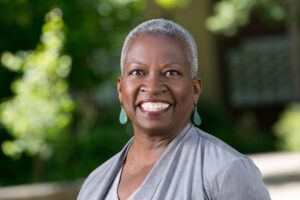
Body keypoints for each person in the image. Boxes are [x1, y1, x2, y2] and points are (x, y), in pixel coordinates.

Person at [77, 19, 271, 200]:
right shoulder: (95, 183)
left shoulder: (227, 171)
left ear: (195, 90)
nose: (152, 87)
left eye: (171, 72)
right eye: (138, 72)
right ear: (121, 89)